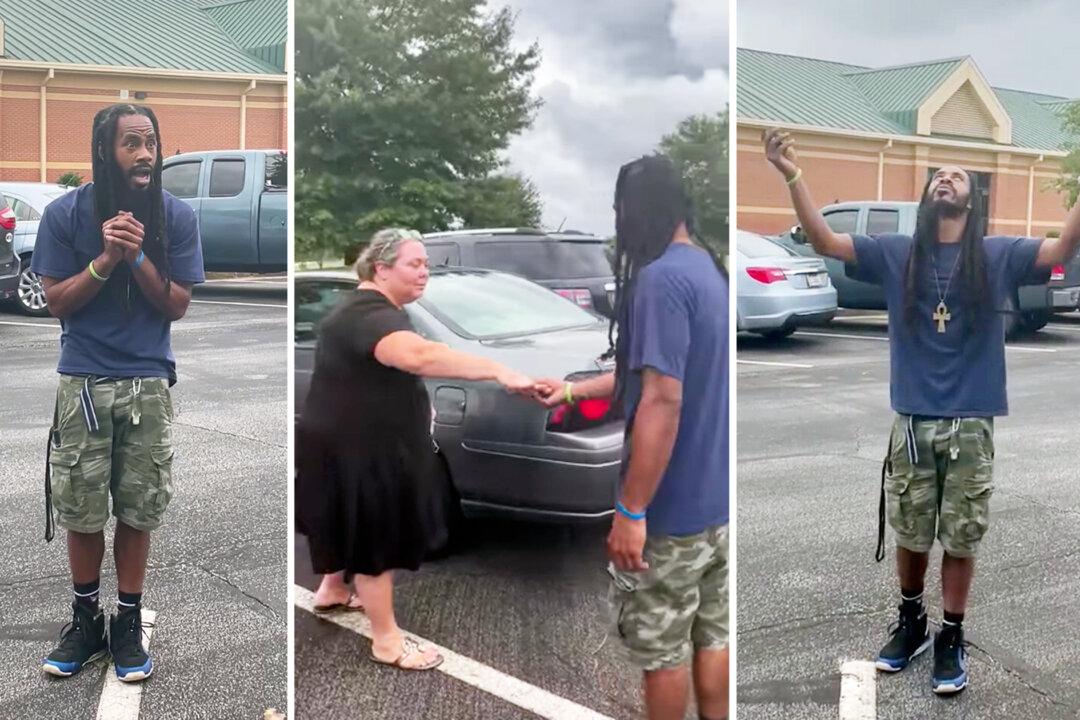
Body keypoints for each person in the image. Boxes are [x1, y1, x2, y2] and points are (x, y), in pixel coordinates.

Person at [762, 128, 1080, 694]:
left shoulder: (996, 254)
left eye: (957, 175)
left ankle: (951, 634)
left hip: (971, 420)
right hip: (911, 420)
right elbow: (825, 241)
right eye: (937, 174)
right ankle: (911, 622)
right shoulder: (897, 253)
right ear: (927, 195)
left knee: (961, 536)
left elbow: (1059, 251)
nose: (945, 179)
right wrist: (793, 175)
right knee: (912, 532)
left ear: (971, 198)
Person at [536, 155, 730, 720]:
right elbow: (644, 378)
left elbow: (663, 399)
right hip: (715, 512)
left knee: (663, 653)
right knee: (711, 638)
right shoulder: (705, 270)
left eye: (620, 208)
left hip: (669, 514)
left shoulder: (660, 278)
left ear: (638, 209)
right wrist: (572, 392)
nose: (617, 221)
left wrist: (632, 509)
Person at [295, 228, 536, 671]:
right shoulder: (371, 317)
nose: (425, 272)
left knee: (348, 518)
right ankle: (386, 641)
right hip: (359, 449)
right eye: (414, 264)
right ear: (381, 268)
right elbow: (417, 358)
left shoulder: (364, 309)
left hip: (340, 441)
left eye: (426, 263)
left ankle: (331, 589)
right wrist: (500, 372)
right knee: (374, 537)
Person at [35, 103, 205, 681]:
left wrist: (136, 259)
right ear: (105, 151)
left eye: (150, 142)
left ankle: (126, 623)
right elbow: (56, 301)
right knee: (82, 512)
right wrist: (106, 258)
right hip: (83, 380)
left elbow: (177, 304)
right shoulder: (67, 213)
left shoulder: (174, 217)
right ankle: (85, 621)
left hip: (147, 382)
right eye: (131, 142)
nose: (144, 154)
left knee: (138, 509)